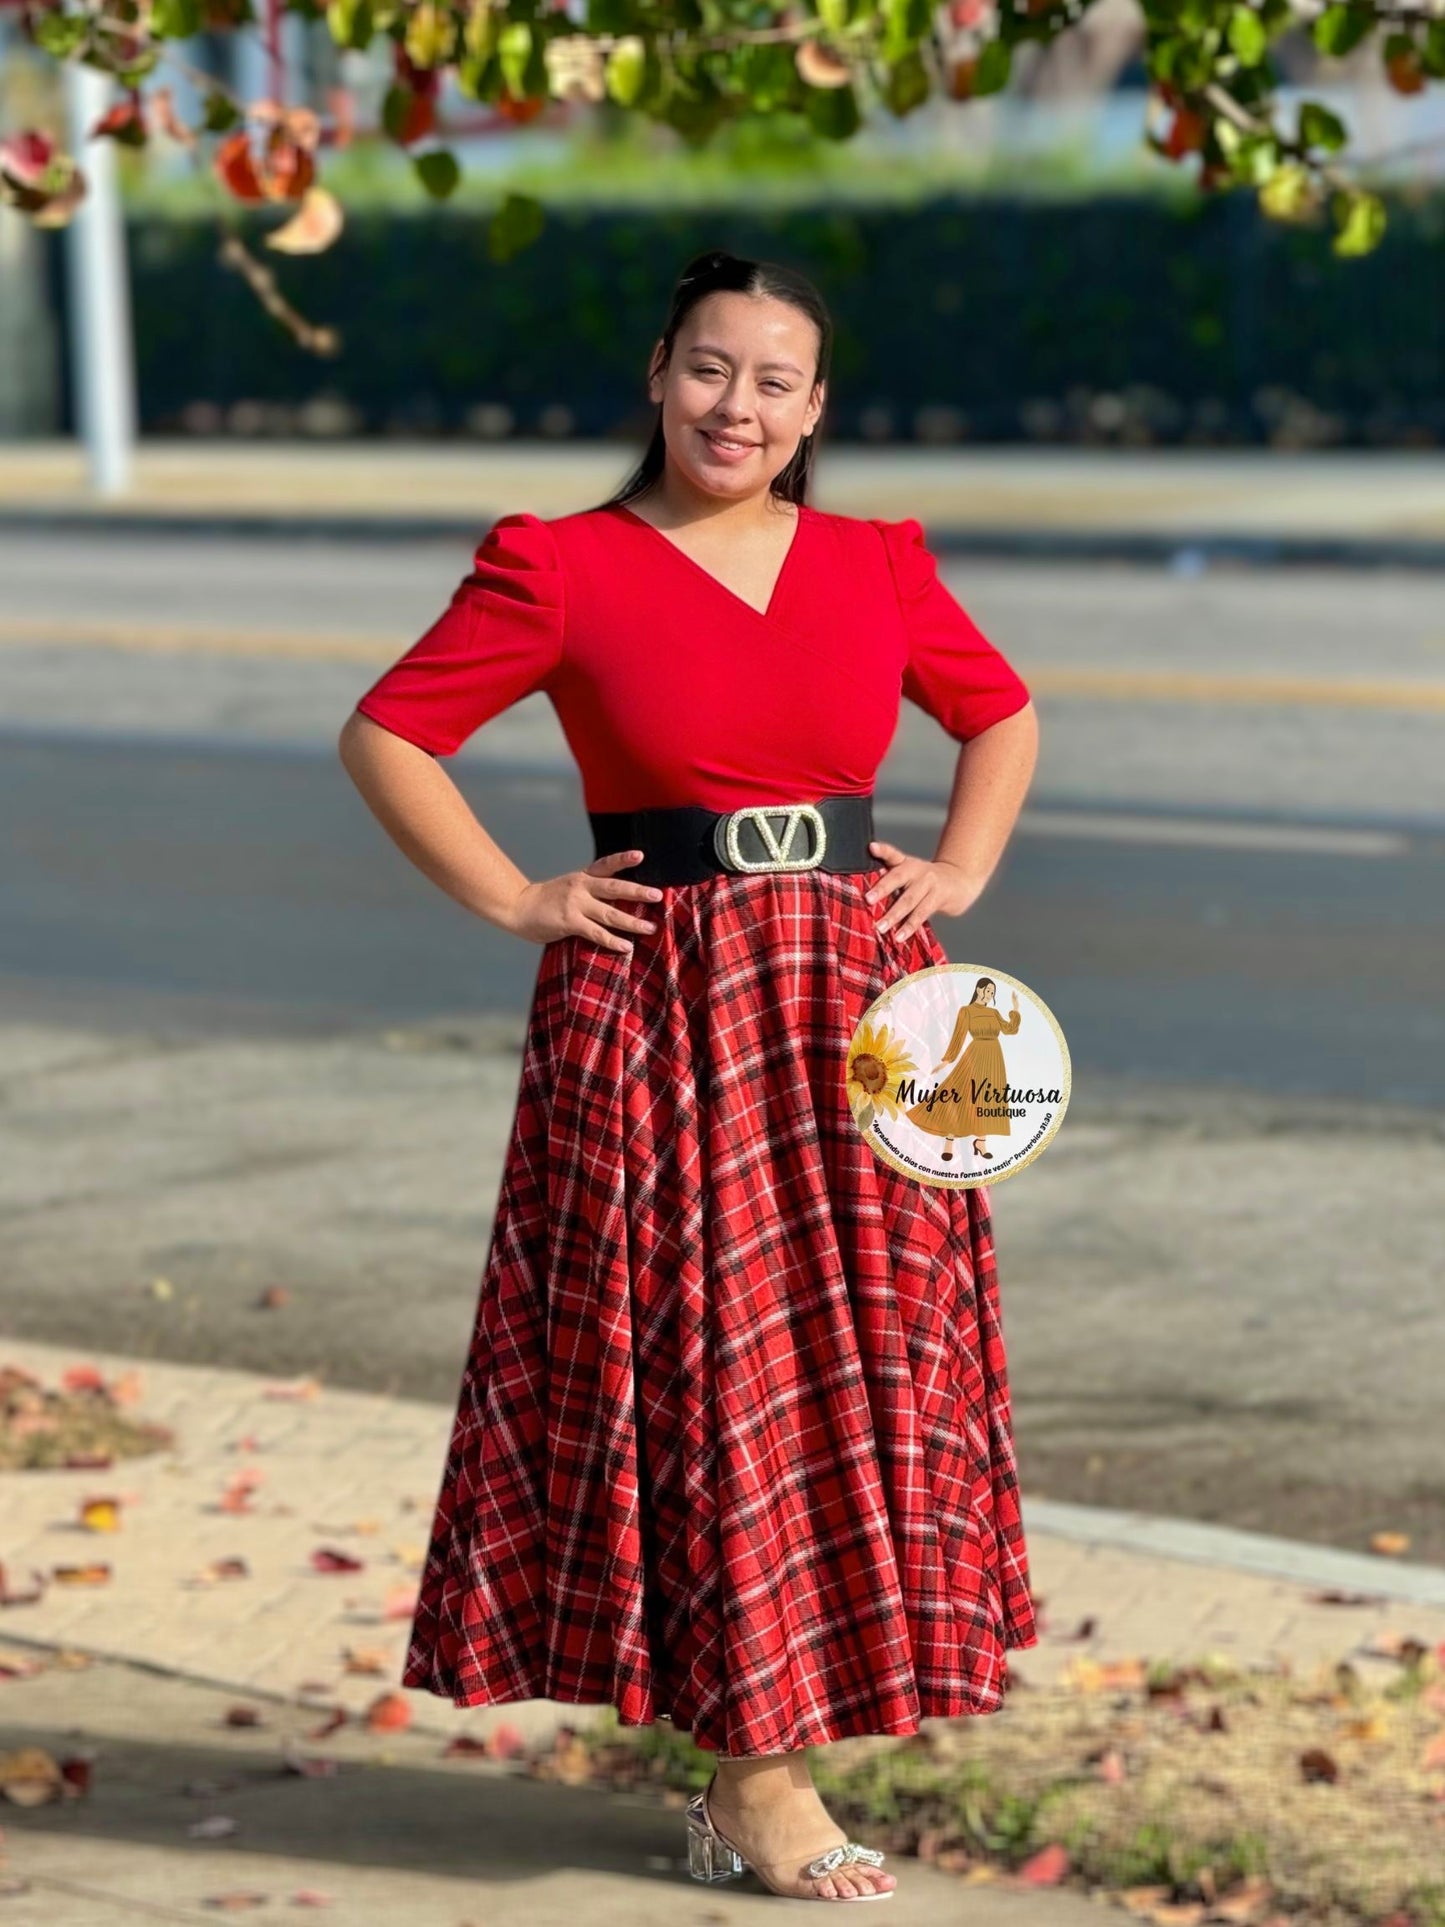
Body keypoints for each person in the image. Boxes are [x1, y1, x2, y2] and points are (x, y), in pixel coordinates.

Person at [338, 247, 1041, 1905]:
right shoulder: (562, 563)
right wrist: (516, 896)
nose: (739, 406)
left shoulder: (874, 562)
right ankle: (756, 1775)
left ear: (814, 411)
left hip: (864, 1003)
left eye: (775, 382)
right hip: (664, 1008)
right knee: (713, 1376)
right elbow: (388, 734)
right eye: (712, 369)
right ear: (660, 374)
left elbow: (997, 716)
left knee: (859, 1363)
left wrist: (957, 870)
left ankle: (779, 1736)